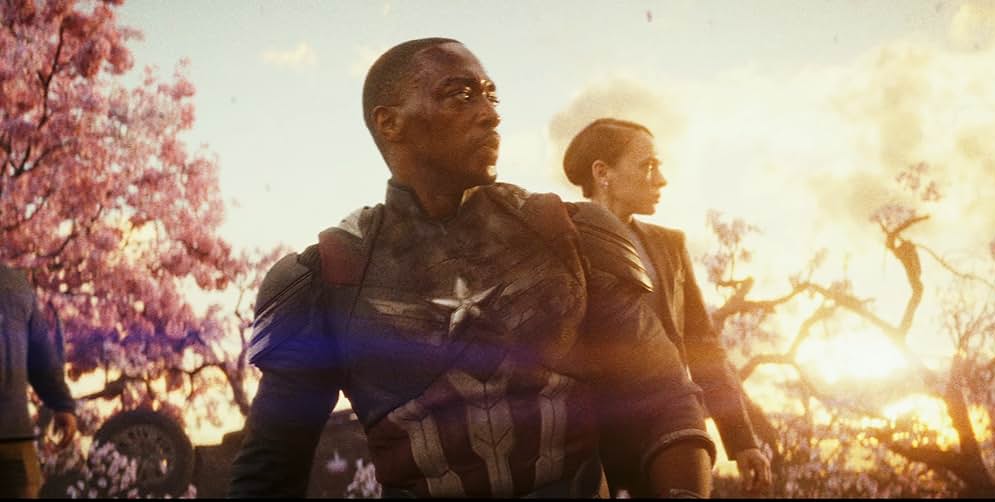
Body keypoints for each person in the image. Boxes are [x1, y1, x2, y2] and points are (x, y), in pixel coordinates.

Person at [229, 38, 718, 498]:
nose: (490, 114)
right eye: (460, 96)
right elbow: (270, 470)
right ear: (390, 123)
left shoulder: (573, 235)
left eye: (490, 95)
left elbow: (664, 397)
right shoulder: (329, 276)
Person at [563, 118, 773, 496]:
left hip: (668, 417)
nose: (661, 180)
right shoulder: (562, 238)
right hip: (589, 429)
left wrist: (742, 440)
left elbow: (703, 346)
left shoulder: (670, 247)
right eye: (648, 166)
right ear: (602, 172)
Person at [0, 264, 78, 498]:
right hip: (14, 436)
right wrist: (61, 403)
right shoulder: (16, 284)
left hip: (14, 437)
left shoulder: (16, 285)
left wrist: (61, 402)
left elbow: (39, 353)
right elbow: (41, 353)